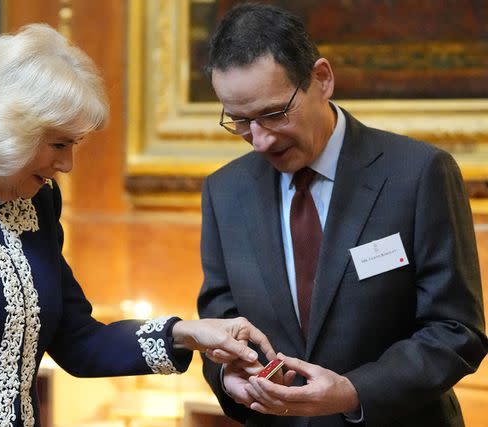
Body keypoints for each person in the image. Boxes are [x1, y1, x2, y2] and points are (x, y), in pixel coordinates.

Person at [0, 24, 276, 427]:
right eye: (58, 144)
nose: (67, 165)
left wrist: (187, 334)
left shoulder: (39, 199)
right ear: (8, 128)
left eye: (75, 144)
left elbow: (77, 341)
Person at [197, 4, 488, 427]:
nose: (258, 140)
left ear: (321, 79)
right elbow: (220, 325)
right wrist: (227, 376)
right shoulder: (224, 191)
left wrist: (353, 393)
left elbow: (456, 329)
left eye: (274, 113)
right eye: (240, 121)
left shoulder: (417, 173)